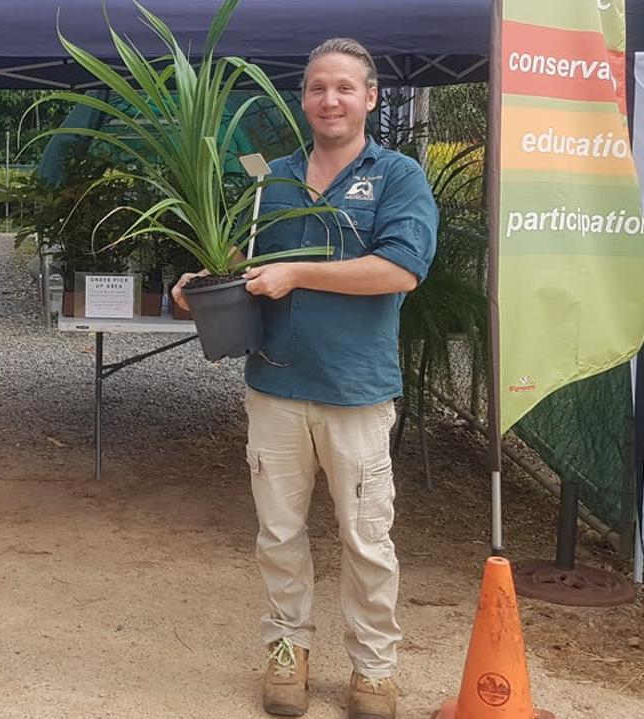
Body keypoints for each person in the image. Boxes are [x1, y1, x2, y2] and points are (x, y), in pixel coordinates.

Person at [172, 39, 437, 719]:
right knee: (278, 533)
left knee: (366, 537)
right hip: (275, 386)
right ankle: (287, 648)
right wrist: (205, 279)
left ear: (371, 97)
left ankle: (373, 666)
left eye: (345, 88)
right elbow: (247, 260)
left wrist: (298, 272)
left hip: (355, 390)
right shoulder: (270, 175)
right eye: (317, 87)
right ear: (303, 98)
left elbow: (399, 269)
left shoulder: (399, 175)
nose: (330, 100)